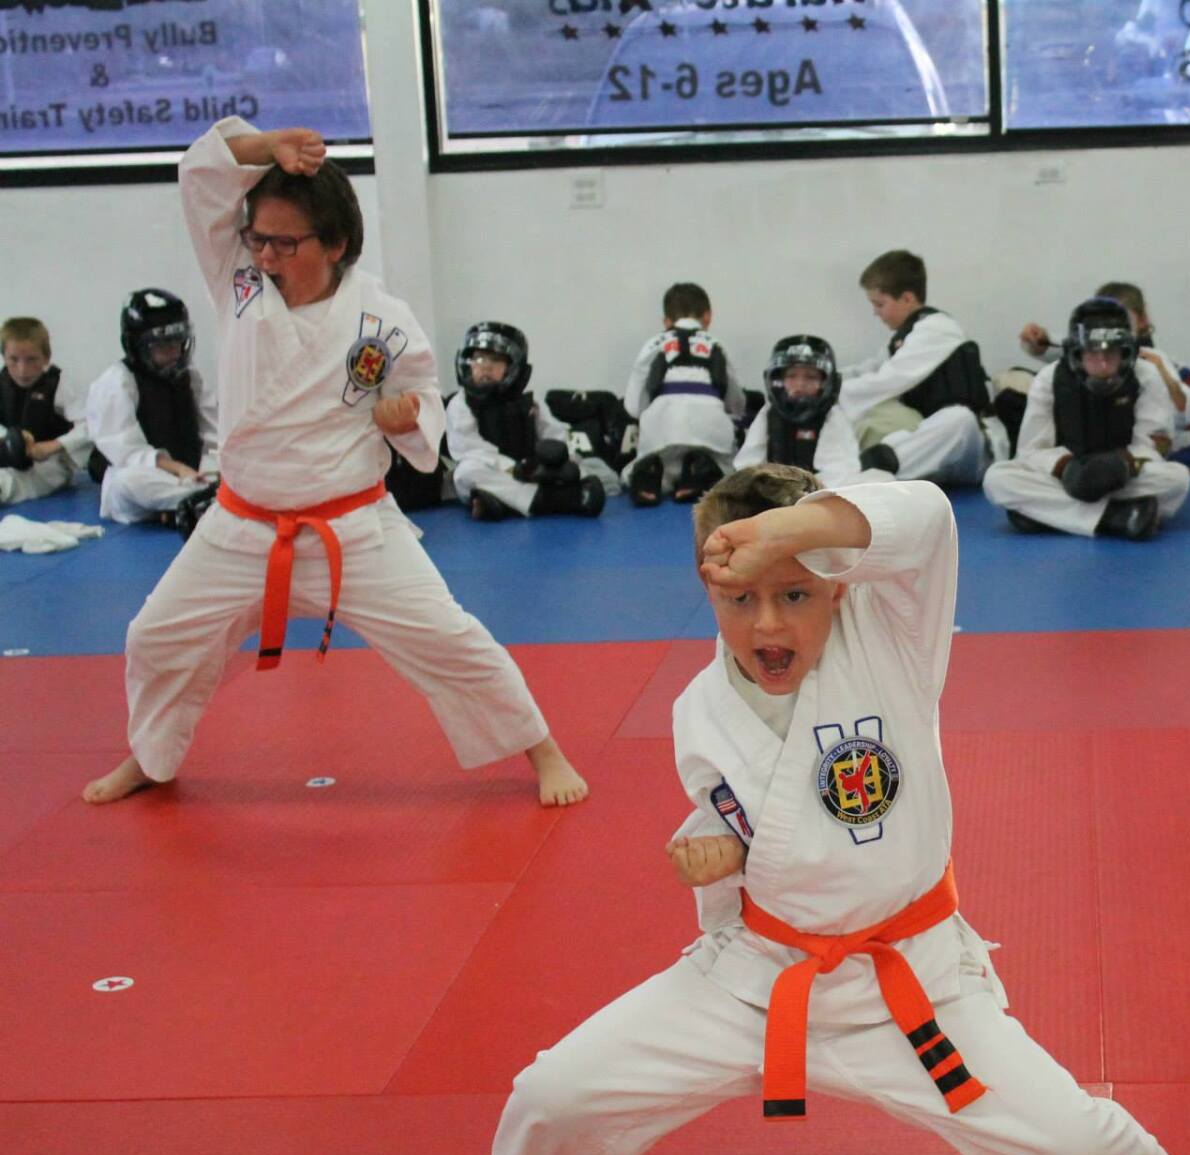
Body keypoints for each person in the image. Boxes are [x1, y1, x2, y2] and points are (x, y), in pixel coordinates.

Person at [404, 464, 1190, 1155]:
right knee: (551, 1095)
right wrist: (712, 845)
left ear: (839, 580)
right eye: (740, 599)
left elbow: (927, 514)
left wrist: (786, 527)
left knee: (1074, 1140)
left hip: (913, 983)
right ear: (707, 588)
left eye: (794, 593)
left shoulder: (891, 641)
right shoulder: (697, 711)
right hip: (757, 976)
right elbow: (756, 819)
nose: (769, 624)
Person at [80, 117, 588, 809]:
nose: (264, 254)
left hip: (351, 528)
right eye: (257, 238)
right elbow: (199, 175)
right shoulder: (237, 279)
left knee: (448, 637)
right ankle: (152, 754)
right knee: (156, 635)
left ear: (337, 243)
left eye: (284, 243)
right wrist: (265, 149)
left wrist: (404, 414)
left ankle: (542, 749)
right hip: (240, 524)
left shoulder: (382, 319)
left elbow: (420, 396)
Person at [983, 296, 1189, 539]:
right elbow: (1031, 451)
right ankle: (1117, 517)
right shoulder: (1049, 379)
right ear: (1077, 353)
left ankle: (1046, 514)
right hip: (1069, 475)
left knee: (1178, 480)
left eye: (1111, 353)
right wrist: (1066, 468)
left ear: (1126, 351)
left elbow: (1153, 445)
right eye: (1093, 353)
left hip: (1122, 475)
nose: (1102, 363)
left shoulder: (1146, 375)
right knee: (997, 480)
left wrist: (1119, 465)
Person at [841, 249, 999, 486]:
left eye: (880, 304)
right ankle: (876, 470)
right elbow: (869, 370)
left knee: (959, 418)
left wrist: (832, 392)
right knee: (863, 412)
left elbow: (889, 380)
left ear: (907, 298)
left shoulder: (938, 328)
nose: (875, 312)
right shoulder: (902, 338)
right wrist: (822, 379)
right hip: (929, 452)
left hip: (971, 450)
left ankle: (871, 468)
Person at [1014, 281, 1190, 462]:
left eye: (1118, 316)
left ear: (1141, 320)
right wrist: (1037, 340)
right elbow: (1054, 348)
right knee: (1001, 476)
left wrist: (1164, 376)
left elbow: (1189, 412)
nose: (1107, 324)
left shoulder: (1151, 360)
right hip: (1079, 452)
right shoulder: (1083, 350)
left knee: (1173, 477)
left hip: (1127, 454)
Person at [88, 289, 221, 527]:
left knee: (238, 463)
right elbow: (125, 451)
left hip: (193, 478)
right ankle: (207, 502)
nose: (174, 351)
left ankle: (190, 505)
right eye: (162, 344)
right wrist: (177, 468)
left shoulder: (189, 377)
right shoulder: (118, 381)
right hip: (152, 480)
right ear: (137, 345)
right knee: (127, 481)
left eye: (178, 341)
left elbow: (215, 433)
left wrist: (217, 468)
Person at [447, 321, 605, 521]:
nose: (485, 367)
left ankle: (501, 504)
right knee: (465, 474)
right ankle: (556, 501)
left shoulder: (530, 401)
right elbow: (469, 450)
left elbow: (554, 433)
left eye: (495, 360)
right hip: (498, 470)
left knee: (579, 471)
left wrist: (559, 461)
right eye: (479, 359)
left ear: (513, 367)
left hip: (534, 471)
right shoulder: (460, 403)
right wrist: (513, 468)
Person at [622, 283, 746, 506]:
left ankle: (649, 475)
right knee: (729, 474)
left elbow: (632, 406)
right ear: (707, 316)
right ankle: (698, 471)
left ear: (666, 322)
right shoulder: (716, 345)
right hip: (710, 432)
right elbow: (736, 403)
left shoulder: (654, 344)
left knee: (655, 468)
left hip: (660, 433)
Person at [733, 334, 866, 488]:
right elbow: (746, 466)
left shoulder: (832, 417)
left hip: (817, 498)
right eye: (791, 376)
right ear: (779, 380)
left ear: (827, 383)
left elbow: (840, 475)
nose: (800, 384)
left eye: (810, 377)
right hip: (774, 497)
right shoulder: (769, 414)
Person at [0, 316, 91, 505]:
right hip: (9, 458)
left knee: (8, 481)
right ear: (3, 357)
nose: (22, 369)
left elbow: (90, 425)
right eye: (14, 360)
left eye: (31, 360)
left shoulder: (58, 384)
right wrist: (12, 440)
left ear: (46, 357)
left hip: (49, 464)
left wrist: (53, 446)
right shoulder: (2, 383)